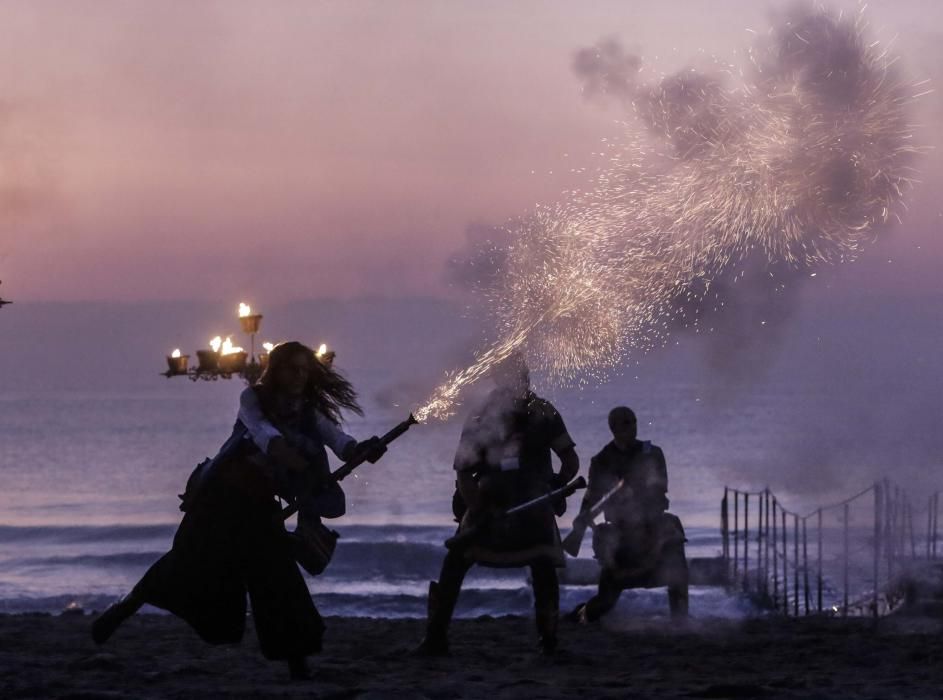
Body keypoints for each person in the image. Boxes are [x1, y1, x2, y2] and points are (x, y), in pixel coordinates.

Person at [91, 341, 385, 680]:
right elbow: (262, 432)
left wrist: (360, 449)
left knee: (278, 580)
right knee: (185, 564)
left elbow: (337, 438)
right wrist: (282, 451)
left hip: (260, 508)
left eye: (305, 369)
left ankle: (297, 663)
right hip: (220, 499)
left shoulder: (307, 412)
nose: (299, 376)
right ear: (276, 370)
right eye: (292, 368)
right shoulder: (253, 399)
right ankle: (127, 606)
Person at [417, 352, 579, 656]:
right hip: (488, 507)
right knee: (454, 562)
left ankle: (549, 641)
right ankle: (435, 637)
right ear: (498, 378)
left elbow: (570, 460)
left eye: (522, 375)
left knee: (544, 567)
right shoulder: (480, 416)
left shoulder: (544, 412)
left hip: (534, 509)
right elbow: (464, 472)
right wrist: (477, 509)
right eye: (511, 375)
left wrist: (557, 484)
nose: (519, 381)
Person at [569, 406, 688, 623]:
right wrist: (582, 520)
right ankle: (582, 614)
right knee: (605, 601)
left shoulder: (652, 453)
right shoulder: (602, 460)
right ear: (612, 428)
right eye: (624, 423)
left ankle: (680, 620)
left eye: (632, 422)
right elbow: (592, 497)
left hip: (652, 523)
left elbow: (660, 487)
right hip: (620, 530)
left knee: (674, 542)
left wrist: (639, 491)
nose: (631, 427)